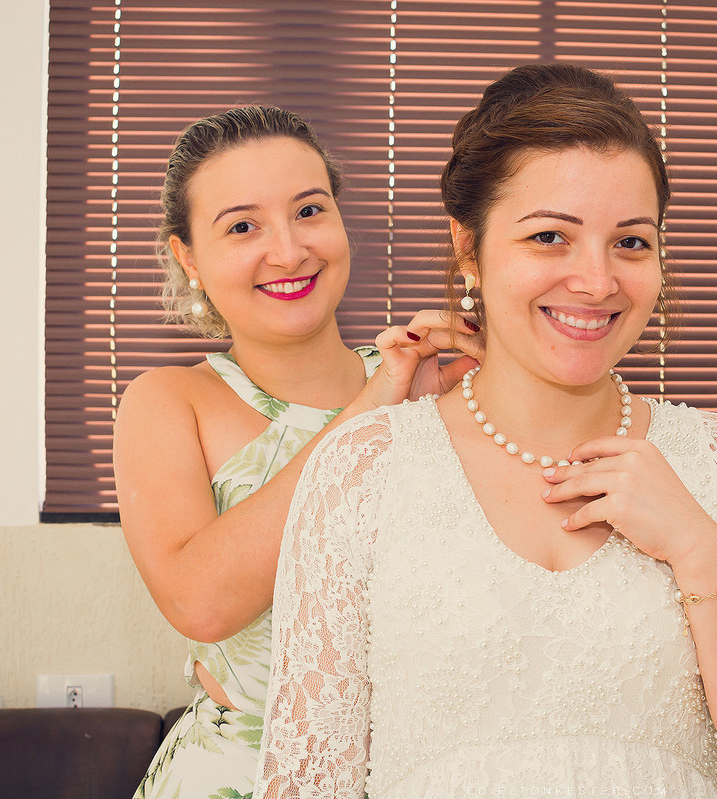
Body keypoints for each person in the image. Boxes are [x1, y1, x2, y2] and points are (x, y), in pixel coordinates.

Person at [255, 64, 717, 799]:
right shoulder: (365, 468)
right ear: (468, 248)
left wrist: (695, 544)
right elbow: (309, 781)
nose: (597, 281)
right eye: (549, 236)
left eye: (631, 243)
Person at [113, 106, 481, 799]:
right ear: (189, 257)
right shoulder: (169, 401)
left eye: (309, 211)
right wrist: (377, 404)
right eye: (242, 226)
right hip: (239, 777)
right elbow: (200, 602)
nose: (287, 251)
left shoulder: (440, 385)